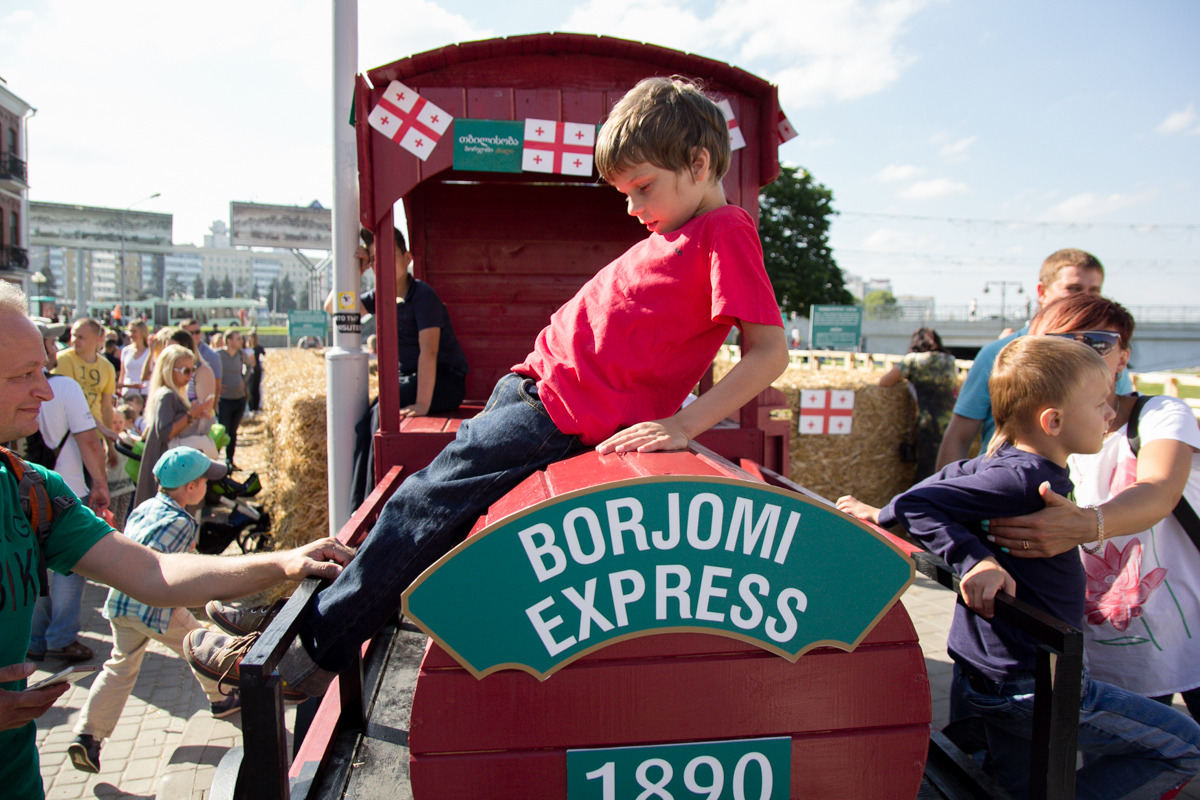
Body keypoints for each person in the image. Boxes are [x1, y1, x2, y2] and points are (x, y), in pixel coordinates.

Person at [185, 75, 790, 700]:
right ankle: (303, 620)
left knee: (423, 508)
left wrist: (684, 425)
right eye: (624, 193)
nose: (632, 206)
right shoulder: (677, 233)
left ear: (698, 163)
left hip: (555, 412)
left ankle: (307, 651)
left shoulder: (726, 231)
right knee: (420, 506)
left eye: (643, 187)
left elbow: (769, 352)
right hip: (533, 393)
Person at [0, 283, 355, 800]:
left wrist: (285, 563)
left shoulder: (30, 489)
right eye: (23, 376)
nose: (47, 390)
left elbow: (152, 572)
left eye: (42, 370)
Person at [837, 335, 1200, 799]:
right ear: (1054, 421)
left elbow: (940, 483)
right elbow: (921, 502)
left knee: (1018, 786)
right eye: (1099, 405)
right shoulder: (1022, 477)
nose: (1111, 414)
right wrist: (975, 560)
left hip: (997, 673)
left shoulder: (1001, 463)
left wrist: (882, 512)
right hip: (1033, 682)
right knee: (1183, 747)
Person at [987, 294, 1200, 719]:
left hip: (1183, 633)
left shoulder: (1160, 415)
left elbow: (1159, 489)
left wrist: (1087, 524)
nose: (1078, 352)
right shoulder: (1030, 438)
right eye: (1058, 340)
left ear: (1124, 355)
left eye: (1098, 341)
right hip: (1093, 646)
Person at [68, 448, 242, 774]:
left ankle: (88, 735)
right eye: (205, 480)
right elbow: (165, 568)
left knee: (120, 666)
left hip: (121, 602)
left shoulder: (144, 506)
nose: (209, 486)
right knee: (198, 643)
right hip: (155, 607)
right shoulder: (182, 522)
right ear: (191, 487)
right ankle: (222, 698)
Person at [935, 248, 1131, 470]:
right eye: (1073, 289)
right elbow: (959, 435)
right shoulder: (997, 354)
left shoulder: (1107, 358)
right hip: (1009, 483)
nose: (1084, 298)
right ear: (1042, 292)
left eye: (1093, 291)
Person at [334, 226, 473, 506]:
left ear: (407, 257)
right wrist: (356, 272)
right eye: (373, 259)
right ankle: (357, 503)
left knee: (379, 417)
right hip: (413, 378)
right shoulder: (379, 294)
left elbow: (429, 352)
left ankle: (366, 503)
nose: (379, 264)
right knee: (367, 423)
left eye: (386, 256)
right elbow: (334, 307)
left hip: (444, 381)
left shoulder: (422, 296)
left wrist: (422, 405)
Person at [27, 321, 110, 665]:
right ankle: (60, 637)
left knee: (34, 564)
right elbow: (89, 441)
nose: (56, 349)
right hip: (65, 488)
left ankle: (34, 636)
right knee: (67, 565)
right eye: (51, 343)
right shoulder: (64, 388)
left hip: (19, 489)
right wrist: (101, 484)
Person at [132, 344, 216, 508]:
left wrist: (195, 414)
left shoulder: (171, 394)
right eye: (186, 371)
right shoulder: (167, 396)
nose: (190, 376)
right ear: (169, 369)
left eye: (192, 370)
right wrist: (191, 414)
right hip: (169, 469)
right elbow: (165, 432)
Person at [879, 327, 959, 483]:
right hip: (953, 423)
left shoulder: (914, 361)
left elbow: (884, 382)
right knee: (948, 470)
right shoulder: (950, 360)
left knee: (926, 471)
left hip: (929, 424)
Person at [51, 317, 117, 463]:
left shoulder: (107, 367)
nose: (74, 340)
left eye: (81, 337)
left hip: (95, 436)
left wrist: (109, 445)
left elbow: (106, 408)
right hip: (68, 435)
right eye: (73, 335)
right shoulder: (63, 359)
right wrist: (103, 430)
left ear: (97, 339)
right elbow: (71, 405)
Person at [216, 328, 253, 468]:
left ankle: (229, 460)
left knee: (233, 431)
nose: (241, 341)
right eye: (237, 339)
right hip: (224, 399)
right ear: (229, 341)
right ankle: (215, 459)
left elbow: (249, 367)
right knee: (222, 430)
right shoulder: (218, 355)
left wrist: (244, 380)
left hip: (239, 397)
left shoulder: (241, 354)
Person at [181, 318, 223, 382]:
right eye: (190, 333)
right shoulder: (178, 352)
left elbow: (216, 384)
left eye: (197, 332)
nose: (194, 335)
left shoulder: (211, 355)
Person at [118, 320, 151, 399]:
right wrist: (119, 392)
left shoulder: (150, 351)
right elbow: (122, 374)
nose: (131, 335)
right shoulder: (125, 351)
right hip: (127, 392)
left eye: (134, 331)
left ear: (142, 333)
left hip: (145, 392)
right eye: (130, 331)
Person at [245, 329, 266, 415]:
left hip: (256, 369)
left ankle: (256, 408)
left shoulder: (259, 348)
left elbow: (266, 356)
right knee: (249, 389)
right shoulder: (246, 348)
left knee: (256, 388)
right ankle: (251, 408)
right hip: (249, 370)